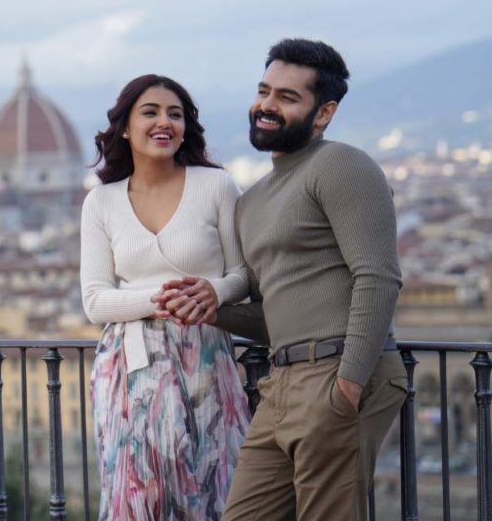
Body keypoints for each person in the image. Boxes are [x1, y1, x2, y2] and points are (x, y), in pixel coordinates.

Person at [159, 39, 407, 520]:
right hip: (282, 382)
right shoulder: (252, 200)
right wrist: (212, 309)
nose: (267, 105)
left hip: (337, 373)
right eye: (264, 91)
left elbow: (378, 278)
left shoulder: (342, 165)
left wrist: (348, 386)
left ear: (324, 112)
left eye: (287, 97)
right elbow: (273, 315)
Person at [82, 74, 251, 520]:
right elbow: (95, 300)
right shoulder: (101, 202)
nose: (164, 122)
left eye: (175, 114)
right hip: (129, 367)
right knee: (138, 496)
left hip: (205, 357)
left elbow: (243, 275)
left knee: (213, 489)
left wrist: (213, 291)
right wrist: (164, 299)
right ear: (125, 127)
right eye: (151, 112)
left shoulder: (216, 186)